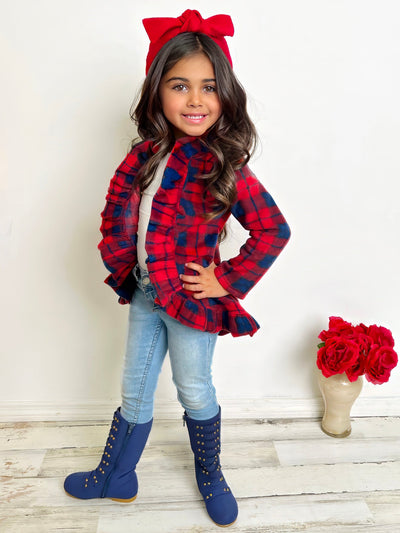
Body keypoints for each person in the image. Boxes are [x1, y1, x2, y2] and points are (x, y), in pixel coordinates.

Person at [64, 9, 290, 528]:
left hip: (191, 301)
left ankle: (211, 475)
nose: (195, 100)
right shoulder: (144, 157)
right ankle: (117, 476)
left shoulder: (226, 165)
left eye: (208, 87)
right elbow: (124, 218)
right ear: (157, 92)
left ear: (225, 94)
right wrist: (125, 263)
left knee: (194, 388)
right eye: (179, 86)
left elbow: (274, 230)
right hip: (147, 294)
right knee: (135, 389)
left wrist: (224, 280)